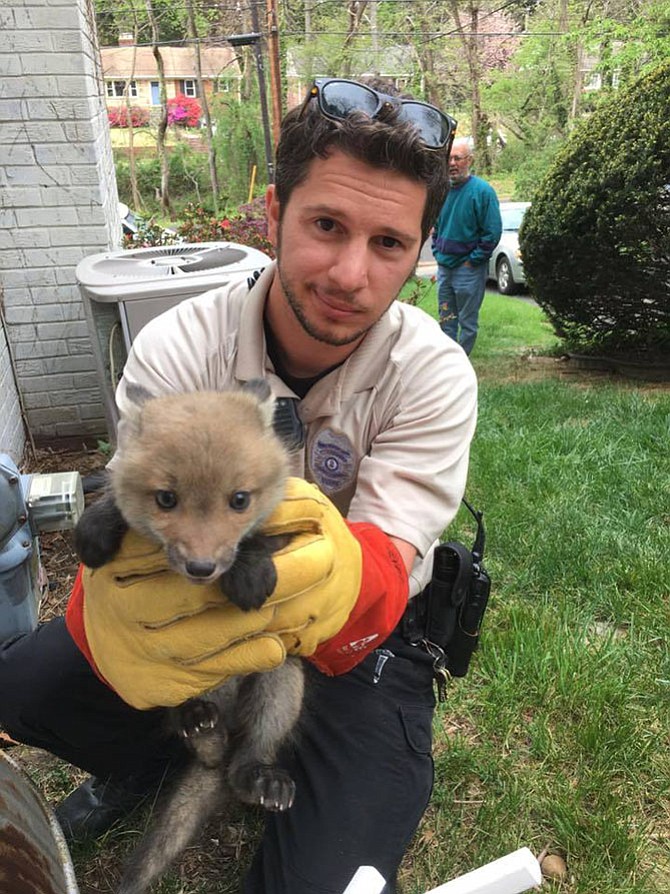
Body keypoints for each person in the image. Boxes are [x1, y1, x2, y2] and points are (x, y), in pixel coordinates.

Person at [0, 78, 478, 894]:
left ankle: (259, 765)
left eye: (389, 243)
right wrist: (113, 599)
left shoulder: (430, 373)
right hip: (202, 598)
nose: (350, 273)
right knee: (25, 685)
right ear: (274, 214)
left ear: (421, 250)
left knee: (323, 882)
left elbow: (385, 576)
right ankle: (152, 762)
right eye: (326, 225)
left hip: (355, 646)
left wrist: (308, 569)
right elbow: (141, 509)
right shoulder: (181, 344)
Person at [432, 137, 502, 355]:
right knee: (445, 318)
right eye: (449, 158)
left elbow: (492, 233)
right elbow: (436, 225)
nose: (452, 163)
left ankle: (461, 364)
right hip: (445, 268)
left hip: (468, 270)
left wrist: (473, 261)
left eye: (458, 158)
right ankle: (446, 363)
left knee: (467, 322)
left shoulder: (482, 192)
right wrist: (436, 250)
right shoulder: (441, 191)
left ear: (469, 160)